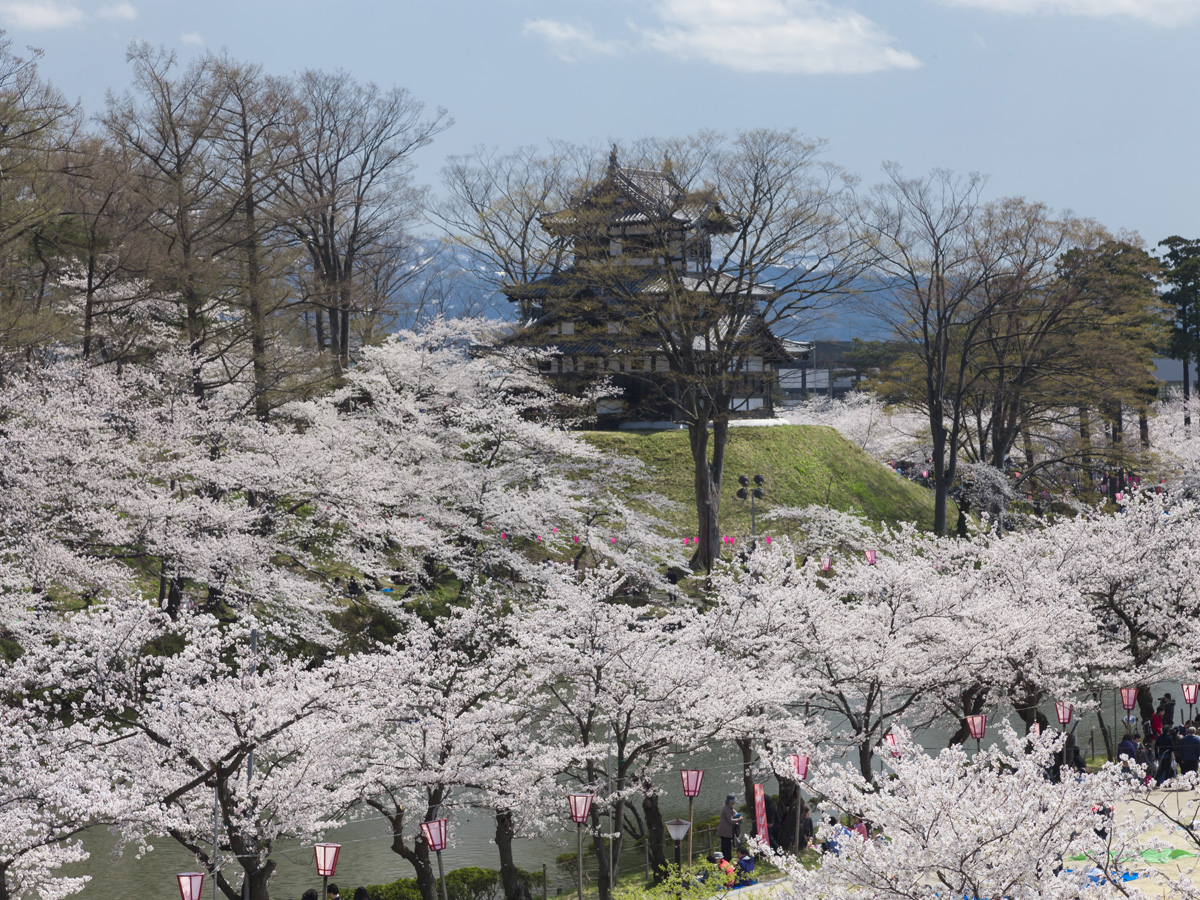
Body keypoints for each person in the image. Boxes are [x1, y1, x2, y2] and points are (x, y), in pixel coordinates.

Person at [718, 794, 742, 862]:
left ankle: (726, 859)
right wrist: (738, 820)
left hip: (727, 831)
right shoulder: (726, 808)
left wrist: (738, 815)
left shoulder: (730, 807)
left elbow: (734, 813)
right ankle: (726, 860)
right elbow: (730, 820)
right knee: (726, 847)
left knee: (727, 846)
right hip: (725, 831)